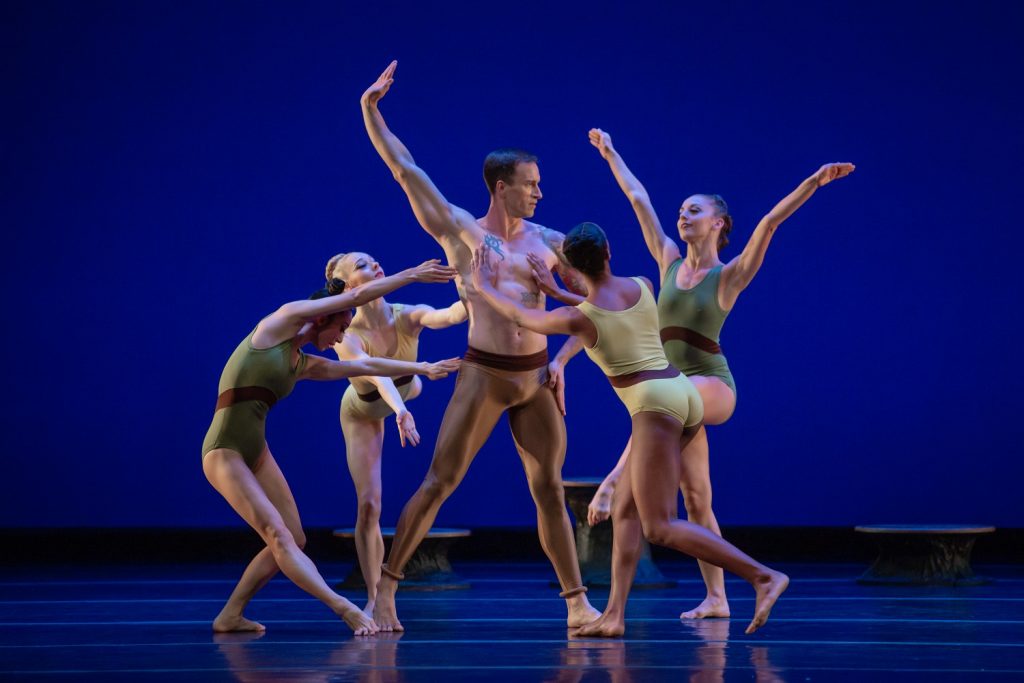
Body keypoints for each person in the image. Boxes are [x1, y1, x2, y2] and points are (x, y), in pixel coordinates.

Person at [541, 129, 853, 620]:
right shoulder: (666, 263)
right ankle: (717, 597)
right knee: (696, 499)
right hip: (670, 396)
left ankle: (611, 481)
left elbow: (770, 222)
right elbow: (638, 197)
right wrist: (611, 152)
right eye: (682, 210)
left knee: (661, 408)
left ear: (718, 224)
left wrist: (813, 182)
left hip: (710, 386)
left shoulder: (728, 277)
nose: (682, 216)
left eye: (694, 211)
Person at [360, 60, 599, 631]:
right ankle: (386, 592)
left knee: (549, 488)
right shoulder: (465, 233)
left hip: (535, 378)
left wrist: (563, 360)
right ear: (502, 186)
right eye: (531, 183)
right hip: (486, 374)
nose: (541, 191)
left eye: (540, 183)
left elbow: (598, 307)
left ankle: (578, 605)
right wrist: (371, 111)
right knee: (440, 481)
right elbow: (406, 170)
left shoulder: (553, 243)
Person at [471, 223, 789, 636]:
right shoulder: (641, 285)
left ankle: (762, 576)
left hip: (654, 405)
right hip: (682, 390)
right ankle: (615, 617)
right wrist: (558, 291)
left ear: (572, 266)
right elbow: (606, 309)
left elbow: (521, 315)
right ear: (608, 253)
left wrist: (484, 285)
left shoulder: (577, 319)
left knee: (660, 526)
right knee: (625, 511)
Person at [201, 258, 460, 636]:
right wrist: (411, 275)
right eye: (340, 327)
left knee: (294, 536)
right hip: (223, 451)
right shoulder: (281, 323)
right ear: (326, 318)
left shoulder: (302, 362)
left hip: (255, 450)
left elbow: (364, 365)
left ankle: (231, 614)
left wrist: (421, 369)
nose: (340, 338)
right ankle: (344, 610)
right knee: (278, 535)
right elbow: (357, 295)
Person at [325, 250, 467, 611]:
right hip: (363, 412)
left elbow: (450, 315)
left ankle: (412, 389)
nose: (372, 266)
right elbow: (374, 372)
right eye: (361, 266)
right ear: (348, 287)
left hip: (404, 391)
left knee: (413, 385)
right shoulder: (347, 335)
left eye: (372, 261)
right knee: (370, 505)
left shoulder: (407, 315)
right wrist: (401, 409)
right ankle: (373, 600)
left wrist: (471, 286)